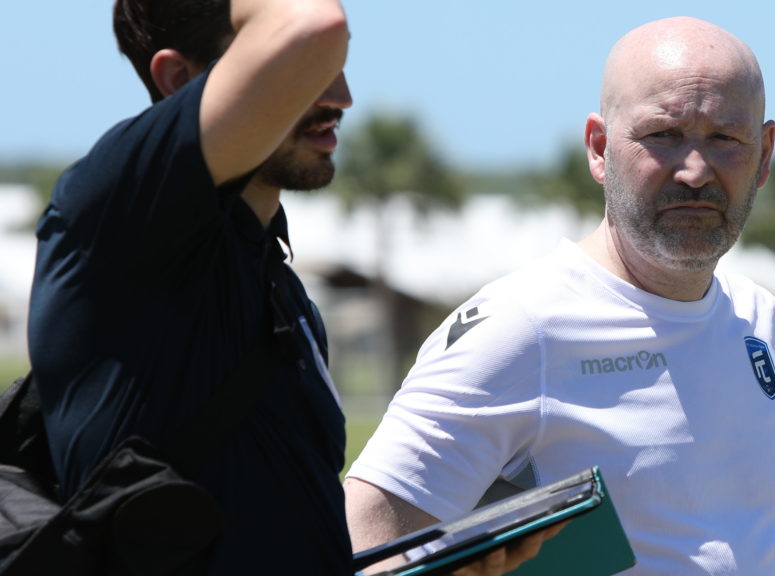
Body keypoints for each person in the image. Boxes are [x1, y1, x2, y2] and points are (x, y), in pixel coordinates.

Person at [343, 16, 775, 576]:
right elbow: (362, 549)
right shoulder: (521, 328)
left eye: (725, 137)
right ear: (599, 149)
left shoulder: (763, 327)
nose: (695, 170)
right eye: (662, 135)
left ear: (764, 154)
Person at [27, 1, 550, 574]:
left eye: (339, 63)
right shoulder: (114, 213)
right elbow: (310, 21)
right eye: (302, 69)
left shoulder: (281, 287)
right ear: (179, 80)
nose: (341, 98)